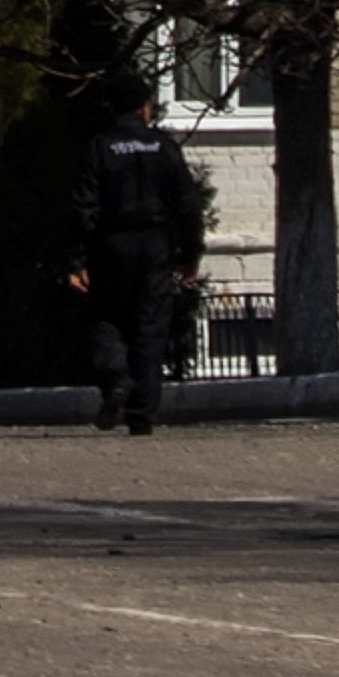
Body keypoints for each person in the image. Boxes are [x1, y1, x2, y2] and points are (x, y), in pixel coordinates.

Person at [70, 79, 209, 434]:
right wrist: (190, 253)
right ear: (145, 108)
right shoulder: (163, 148)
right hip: (156, 244)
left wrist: (76, 259)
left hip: (111, 243)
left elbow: (83, 206)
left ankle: (116, 379)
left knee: (104, 313)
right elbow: (188, 205)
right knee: (150, 324)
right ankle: (142, 413)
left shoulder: (99, 147)